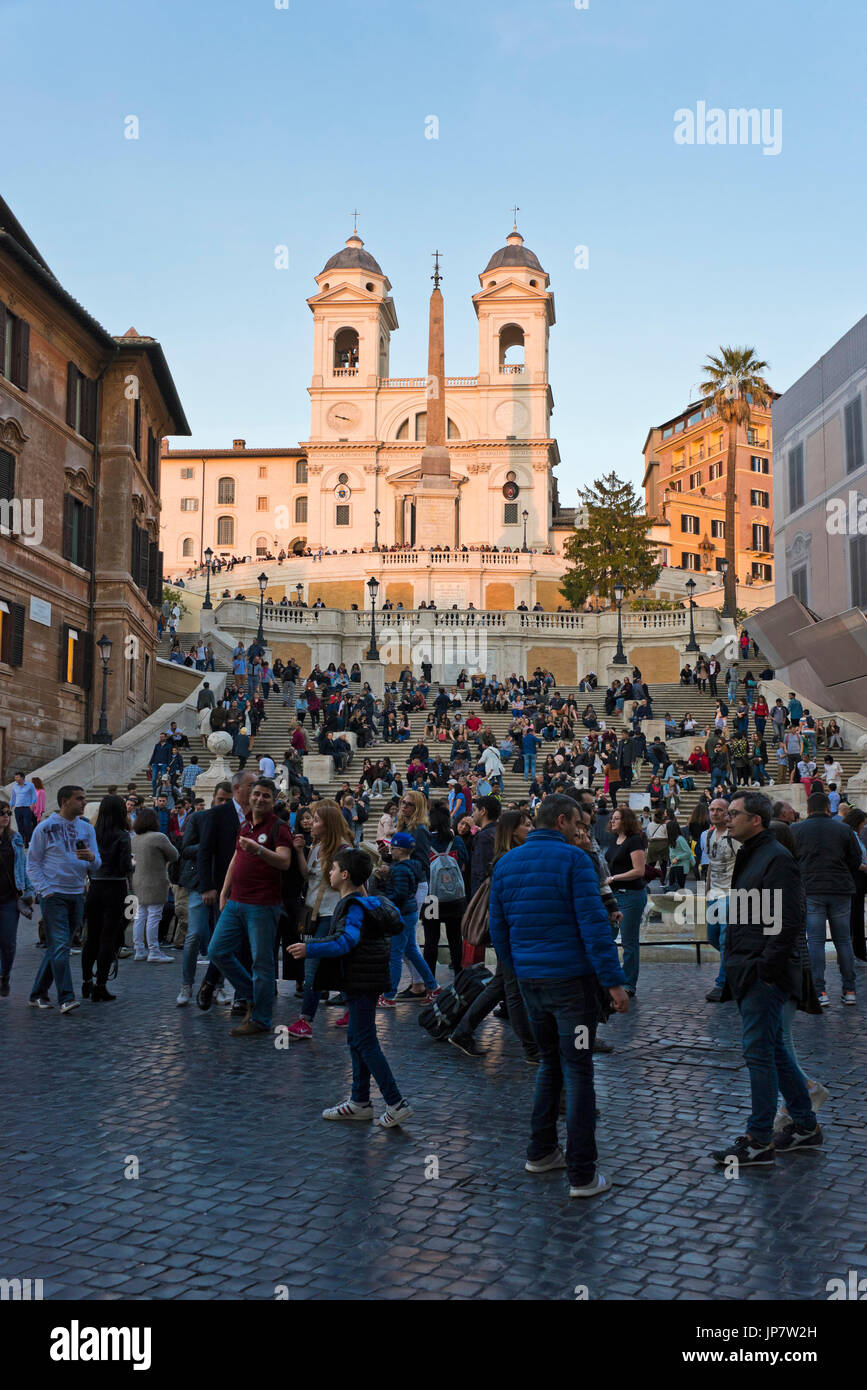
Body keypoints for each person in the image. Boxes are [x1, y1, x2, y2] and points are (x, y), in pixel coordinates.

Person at [489, 794, 629, 1199]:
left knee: (549, 1063)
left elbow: (499, 931)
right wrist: (613, 982)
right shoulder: (574, 862)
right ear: (563, 820)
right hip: (572, 986)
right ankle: (582, 1174)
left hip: (531, 983)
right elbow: (594, 927)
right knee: (579, 1069)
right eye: (578, 823)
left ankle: (541, 1150)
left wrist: (518, 972)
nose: (582, 831)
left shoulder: (506, 863)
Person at [712, 792, 823, 1167]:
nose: (728, 818)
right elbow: (745, 915)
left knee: (759, 1052)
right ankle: (805, 1125)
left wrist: (765, 969)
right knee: (773, 1049)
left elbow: (789, 920)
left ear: (755, 820)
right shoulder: (750, 853)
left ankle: (759, 1139)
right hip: (750, 966)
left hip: (763, 973)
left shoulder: (776, 858)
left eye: (734, 813)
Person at [288, 847, 413, 1127]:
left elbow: (347, 941)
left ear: (344, 875)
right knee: (357, 1040)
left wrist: (311, 948)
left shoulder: (353, 906)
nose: (329, 873)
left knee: (366, 1042)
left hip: (361, 981)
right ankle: (360, 1101)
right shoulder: (365, 902)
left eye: (332, 869)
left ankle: (395, 1102)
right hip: (364, 980)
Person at [448, 809, 539, 1062]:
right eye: (526, 826)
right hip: (509, 933)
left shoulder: (510, 857)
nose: (530, 829)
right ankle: (532, 1048)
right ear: (512, 832)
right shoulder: (507, 860)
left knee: (501, 984)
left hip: (510, 932)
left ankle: (463, 1031)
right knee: (513, 991)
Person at [207, 778, 294, 1035]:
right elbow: (236, 858)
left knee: (262, 963)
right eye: (256, 794)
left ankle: (261, 1019)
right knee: (216, 951)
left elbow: (284, 862)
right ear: (250, 796)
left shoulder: (279, 828)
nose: (259, 799)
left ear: (273, 800)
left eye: (266, 796)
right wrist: (225, 890)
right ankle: (252, 994)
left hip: (263, 905)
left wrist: (258, 850)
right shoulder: (244, 824)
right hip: (236, 901)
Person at [28, 785, 101, 1012]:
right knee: (60, 946)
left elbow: (97, 863)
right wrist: (44, 890)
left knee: (60, 946)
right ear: (64, 801)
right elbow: (32, 862)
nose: (84, 803)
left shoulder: (86, 828)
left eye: (84, 798)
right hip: (54, 895)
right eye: (79, 799)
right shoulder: (45, 828)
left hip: (77, 893)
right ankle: (66, 997)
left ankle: (38, 993)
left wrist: (91, 858)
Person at [286, 800, 353, 1039]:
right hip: (314, 913)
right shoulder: (316, 846)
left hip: (332, 913)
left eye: (315, 820)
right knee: (334, 964)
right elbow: (308, 876)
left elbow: (355, 884)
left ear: (328, 823)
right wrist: (298, 852)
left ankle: (306, 1020)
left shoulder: (344, 850)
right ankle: (350, 1008)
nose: (310, 823)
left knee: (312, 964)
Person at [791, 792, 860, 1007]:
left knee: (816, 942)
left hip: (811, 889)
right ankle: (849, 990)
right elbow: (855, 859)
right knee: (843, 941)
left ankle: (820, 992)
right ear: (828, 808)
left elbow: (791, 860)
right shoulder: (843, 829)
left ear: (808, 809)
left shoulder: (796, 830)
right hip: (840, 888)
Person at [82, 796, 133, 1001]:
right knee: (108, 938)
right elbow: (124, 866)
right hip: (115, 887)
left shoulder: (92, 833)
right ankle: (101, 985)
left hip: (95, 886)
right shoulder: (122, 835)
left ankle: (86, 982)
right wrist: (132, 863)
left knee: (91, 936)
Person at [604, 806, 647, 998]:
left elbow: (639, 870)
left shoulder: (634, 840)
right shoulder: (615, 840)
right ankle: (613, 978)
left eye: (617, 818)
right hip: (613, 896)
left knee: (629, 942)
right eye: (612, 818)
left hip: (630, 895)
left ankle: (629, 983)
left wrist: (614, 878)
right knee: (606, 937)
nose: (612, 821)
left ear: (626, 821)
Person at [130, 808, 179, 963]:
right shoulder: (159, 837)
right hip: (155, 881)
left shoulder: (134, 838)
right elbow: (175, 855)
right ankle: (154, 950)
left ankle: (139, 950)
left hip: (137, 880)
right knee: (154, 916)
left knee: (139, 916)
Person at [703, 798, 737, 1003]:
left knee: (725, 939)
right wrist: (707, 890)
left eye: (719, 810)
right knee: (712, 937)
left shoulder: (734, 835)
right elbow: (710, 865)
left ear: (727, 813)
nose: (715, 813)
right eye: (712, 809)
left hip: (731, 893)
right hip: (714, 893)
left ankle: (722, 983)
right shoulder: (708, 834)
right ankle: (734, 967)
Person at [0, 799, 35, 996]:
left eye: (8, 813)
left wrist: (29, 891)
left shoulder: (15, 838)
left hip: (9, 898)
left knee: (8, 942)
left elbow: (23, 866)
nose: (6, 816)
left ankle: (5, 975)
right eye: (2, 813)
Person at [9, 771, 38, 846]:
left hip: (27, 808)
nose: (16, 779)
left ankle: (30, 841)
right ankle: (22, 842)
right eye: (15, 777)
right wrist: (10, 807)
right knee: (20, 826)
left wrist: (32, 804)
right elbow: (13, 798)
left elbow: (34, 796)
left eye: (17, 777)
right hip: (17, 809)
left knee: (27, 825)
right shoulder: (14, 786)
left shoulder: (30, 785)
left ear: (22, 777)